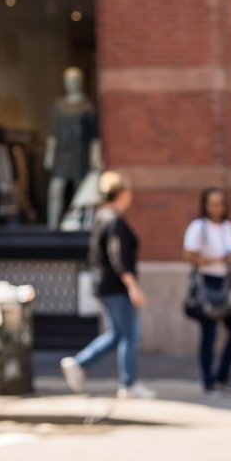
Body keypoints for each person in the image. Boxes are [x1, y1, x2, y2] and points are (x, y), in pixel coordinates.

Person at [60, 171, 155, 399]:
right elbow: (117, 255)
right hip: (116, 286)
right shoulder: (113, 220)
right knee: (130, 334)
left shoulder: (101, 216)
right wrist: (132, 286)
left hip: (104, 284)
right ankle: (129, 384)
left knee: (116, 334)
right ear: (121, 193)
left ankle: (79, 363)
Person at [183, 187, 231, 394]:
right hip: (207, 282)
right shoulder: (198, 227)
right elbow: (189, 255)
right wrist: (215, 260)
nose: (218, 208)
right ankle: (208, 381)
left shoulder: (228, 227)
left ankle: (223, 376)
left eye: (221, 203)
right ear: (206, 205)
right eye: (213, 203)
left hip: (226, 283)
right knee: (209, 334)